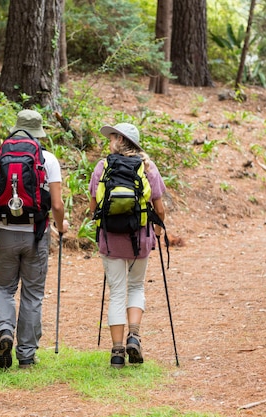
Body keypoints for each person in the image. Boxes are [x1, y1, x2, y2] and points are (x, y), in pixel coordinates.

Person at [0, 109, 69, 369]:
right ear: (39, 131)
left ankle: (5, 329)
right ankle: (26, 356)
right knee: (32, 295)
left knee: (3, 288)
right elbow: (56, 203)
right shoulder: (48, 159)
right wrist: (60, 224)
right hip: (36, 234)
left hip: (3, 232)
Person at [88, 122, 166, 369]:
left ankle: (117, 352)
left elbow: (93, 208)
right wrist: (156, 231)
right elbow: (160, 208)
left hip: (110, 240)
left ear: (118, 140)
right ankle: (134, 336)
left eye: (111, 137)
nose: (109, 140)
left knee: (117, 292)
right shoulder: (148, 167)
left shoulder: (103, 167)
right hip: (139, 239)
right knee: (136, 287)